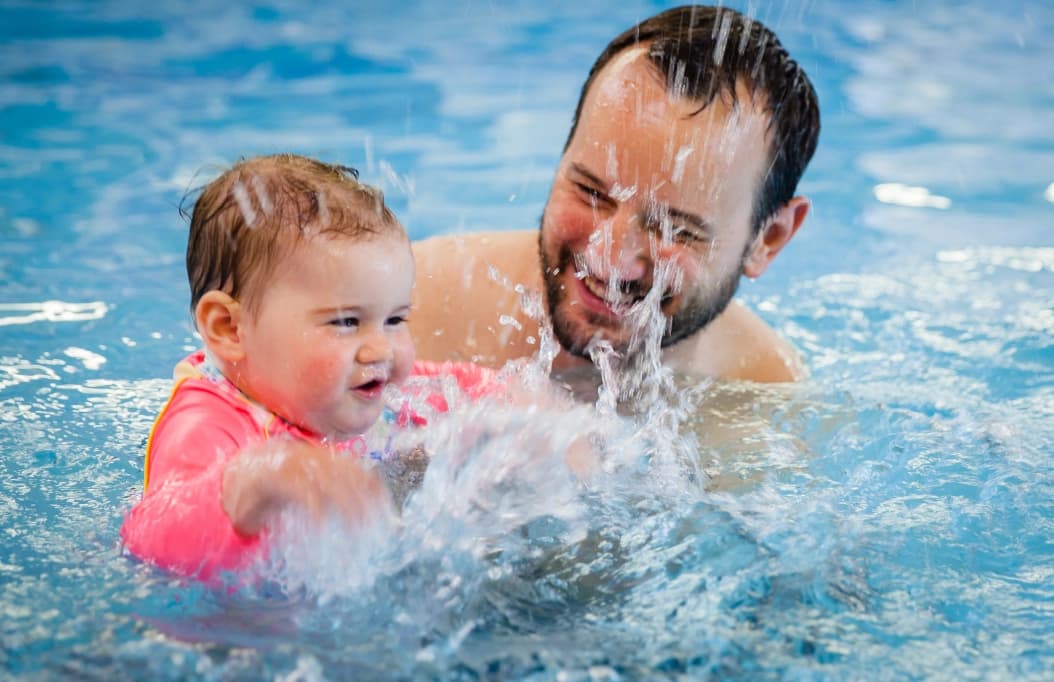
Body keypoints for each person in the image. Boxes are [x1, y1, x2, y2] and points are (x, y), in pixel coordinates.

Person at [122, 154, 491, 580]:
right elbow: (151, 536)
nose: (380, 350)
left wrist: (526, 409)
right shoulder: (206, 422)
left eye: (395, 320)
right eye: (346, 322)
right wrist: (255, 483)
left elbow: (457, 386)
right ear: (230, 329)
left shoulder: (363, 386)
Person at [410, 5, 820, 383]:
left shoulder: (763, 401)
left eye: (675, 229)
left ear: (769, 239)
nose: (609, 260)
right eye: (590, 191)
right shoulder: (411, 309)